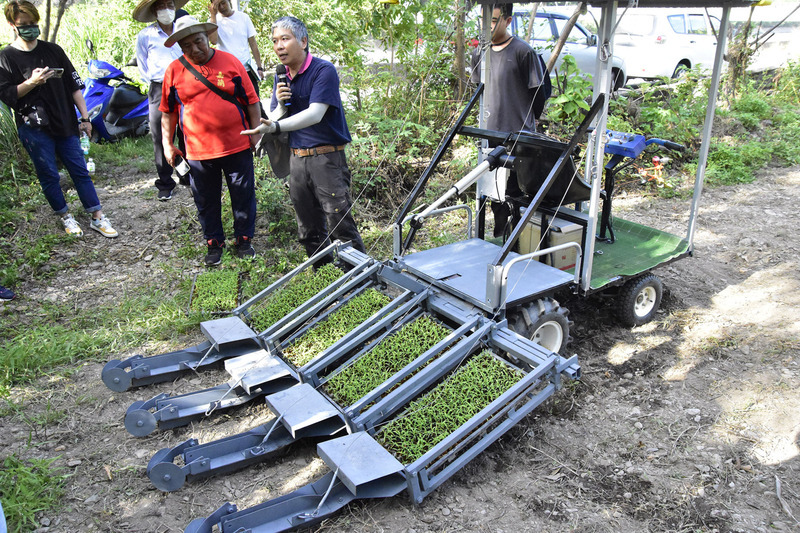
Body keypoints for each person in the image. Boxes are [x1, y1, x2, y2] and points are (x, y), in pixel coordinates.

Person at [242, 16, 365, 261]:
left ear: (303, 41)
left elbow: (315, 114)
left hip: (326, 158)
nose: (278, 46)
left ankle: (359, 281)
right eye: (275, 41)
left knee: (340, 223)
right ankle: (323, 276)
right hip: (297, 158)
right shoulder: (282, 76)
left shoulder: (323, 70)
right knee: (308, 229)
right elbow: (277, 116)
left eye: (285, 39)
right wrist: (276, 108)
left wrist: (275, 126)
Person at [0, 0, 118, 239]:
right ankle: (65, 216)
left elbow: (75, 86)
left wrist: (85, 118)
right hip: (33, 127)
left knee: (80, 171)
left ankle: (97, 216)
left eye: (34, 23)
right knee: (49, 174)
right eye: (25, 24)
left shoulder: (53, 50)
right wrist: (31, 83)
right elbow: (8, 95)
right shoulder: (7, 58)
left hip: (65, 121)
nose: (31, 28)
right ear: (13, 25)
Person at [160, 16, 262, 266]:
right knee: (205, 199)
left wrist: (256, 133)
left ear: (208, 38)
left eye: (198, 42)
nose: (194, 50)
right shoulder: (174, 70)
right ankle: (214, 243)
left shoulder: (230, 62)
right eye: (187, 47)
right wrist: (167, 143)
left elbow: (251, 100)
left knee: (243, 194)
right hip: (197, 151)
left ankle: (244, 240)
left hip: (237, 144)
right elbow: (168, 110)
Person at [470, 3, 546, 238]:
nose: (487, 26)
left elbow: (539, 94)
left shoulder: (523, 52)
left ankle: (517, 236)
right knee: (491, 188)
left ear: (508, 20)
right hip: (489, 133)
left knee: (515, 190)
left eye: (493, 21)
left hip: (518, 134)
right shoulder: (479, 52)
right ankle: (498, 228)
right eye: (484, 20)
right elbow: (479, 91)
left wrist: (526, 124)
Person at [134, 0, 189, 201]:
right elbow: (143, 63)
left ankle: (187, 174)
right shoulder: (146, 35)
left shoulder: (184, 29)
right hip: (159, 87)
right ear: (154, 10)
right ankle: (165, 183)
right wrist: (158, 83)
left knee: (186, 131)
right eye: (161, 5)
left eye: (169, 4)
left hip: (185, 85)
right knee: (160, 136)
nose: (166, 9)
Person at [207, 0, 264, 96]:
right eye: (217, 5)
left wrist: (259, 67)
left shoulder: (243, 17)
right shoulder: (213, 21)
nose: (221, 7)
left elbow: (253, 44)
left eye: (223, 3)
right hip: (227, 71)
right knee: (235, 104)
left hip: (246, 68)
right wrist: (213, 15)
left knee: (254, 100)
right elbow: (213, 40)